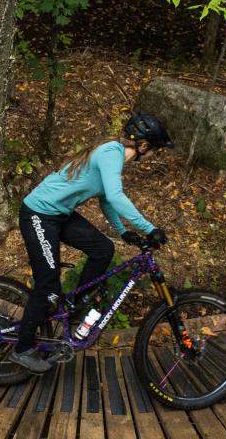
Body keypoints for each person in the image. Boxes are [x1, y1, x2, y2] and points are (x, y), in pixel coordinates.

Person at [10, 113, 172, 373]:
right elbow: (116, 196)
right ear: (143, 146)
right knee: (49, 287)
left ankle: (75, 304)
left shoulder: (114, 157)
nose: (154, 155)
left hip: (59, 214)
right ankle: (22, 348)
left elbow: (107, 200)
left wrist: (122, 232)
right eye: (155, 149)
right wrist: (148, 228)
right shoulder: (112, 152)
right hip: (39, 214)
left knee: (103, 249)